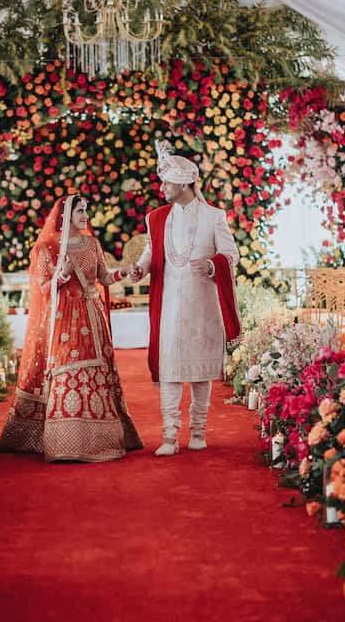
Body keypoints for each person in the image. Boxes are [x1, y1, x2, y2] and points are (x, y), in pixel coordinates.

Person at [0, 194, 143, 461]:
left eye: (86, 210)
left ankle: (99, 440)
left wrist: (124, 272)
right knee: (67, 368)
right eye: (80, 210)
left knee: (96, 372)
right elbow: (42, 289)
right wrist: (62, 274)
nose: (85, 215)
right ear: (65, 215)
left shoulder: (92, 244)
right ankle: (64, 441)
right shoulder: (46, 248)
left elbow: (104, 277)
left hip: (93, 318)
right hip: (64, 318)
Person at [127, 142, 240, 456]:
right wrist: (140, 268)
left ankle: (199, 431)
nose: (162, 188)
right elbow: (152, 251)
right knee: (170, 369)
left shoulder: (214, 217)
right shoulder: (157, 218)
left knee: (200, 371)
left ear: (184, 183)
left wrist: (211, 265)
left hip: (202, 303)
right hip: (170, 306)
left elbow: (231, 254)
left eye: (166, 182)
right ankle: (169, 437)